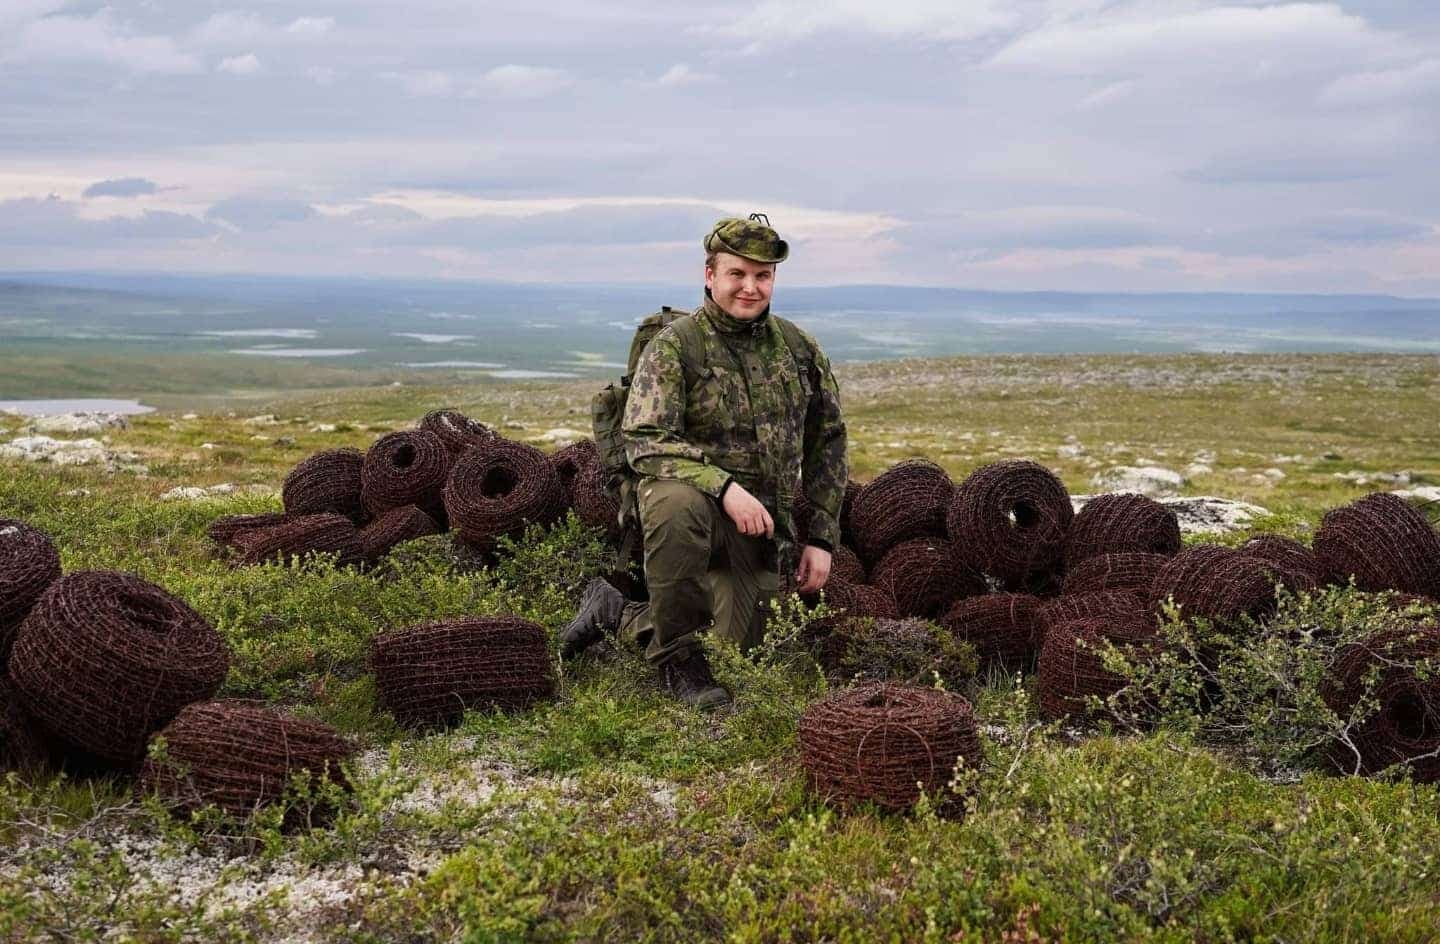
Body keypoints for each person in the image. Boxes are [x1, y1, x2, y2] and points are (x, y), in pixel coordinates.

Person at [560, 214, 849, 709]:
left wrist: (821, 538)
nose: (750, 288)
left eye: (763, 276)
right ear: (710, 275)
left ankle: (618, 610)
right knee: (678, 503)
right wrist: (724, 488)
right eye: (737, 274)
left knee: (736, 651)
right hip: (688, 513)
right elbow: (646, 438)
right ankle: (677, 660)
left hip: (758, 528)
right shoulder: (675, 346)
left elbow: (828, 440)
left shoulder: (799, 349)